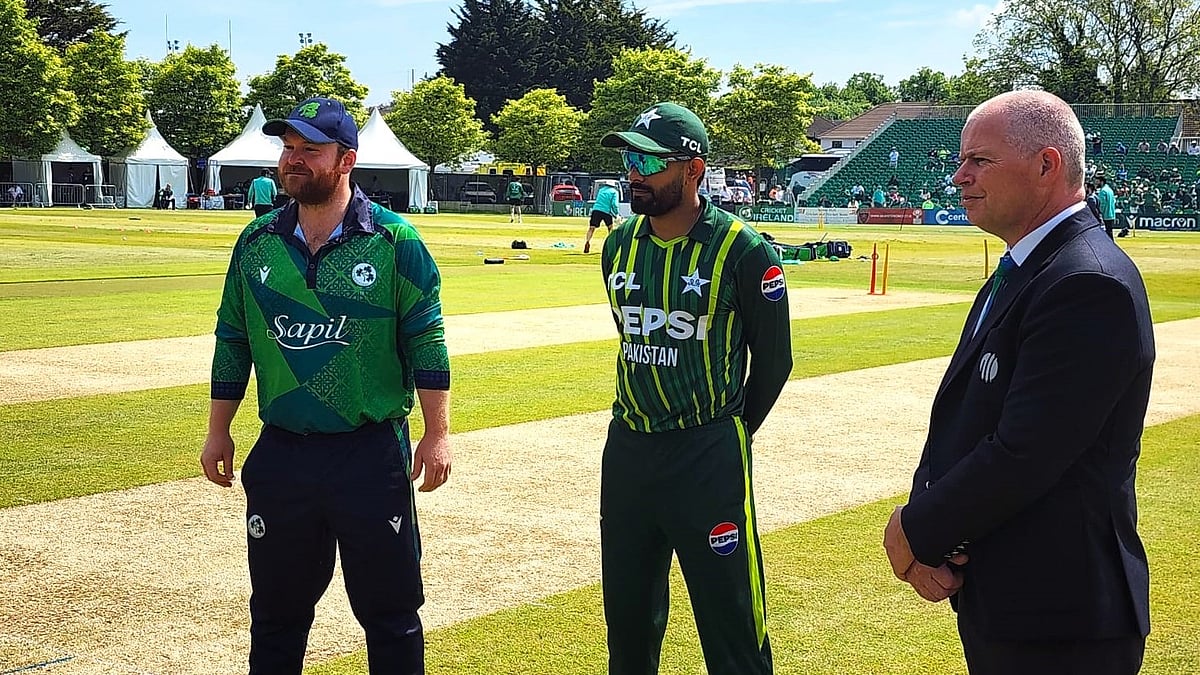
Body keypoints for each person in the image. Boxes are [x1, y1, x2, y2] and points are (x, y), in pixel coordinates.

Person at [883, 90, 1153, 675]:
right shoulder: (1026, 269)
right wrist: (933, 512)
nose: (959, 177)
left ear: (1046, 166)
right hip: (1011, 599)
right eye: (962, 161)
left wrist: (918, 528)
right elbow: (965, 416)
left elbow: (1026, 452)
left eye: (980, 160)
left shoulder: (1087, 282)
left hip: (1063, 619)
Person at [200, 97, 452, 674]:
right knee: (275, 616)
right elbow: (232, 336)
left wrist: (437, 433)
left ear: (346, 161)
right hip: (284, 453)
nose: (292, 160)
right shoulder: (257, 241)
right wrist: (218, 429)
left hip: (369, 454)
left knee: (390, 617)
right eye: (288, 149)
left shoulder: (393, 241)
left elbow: (426, 338)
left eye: (309, 150)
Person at [597, 102, 792, 674]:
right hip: (629, 450)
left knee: (731, 621)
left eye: (650, 162)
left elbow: (774, 362)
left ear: (693, 170)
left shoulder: (743, 250)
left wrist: (726, 431)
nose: (633, 173)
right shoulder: (619, 246)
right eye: (630, 159)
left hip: (708, 454)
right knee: (628, 622)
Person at [585, 181, 620, 254]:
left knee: (592, 228)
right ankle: (611, 245)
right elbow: (614, 204)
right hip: (606, 211)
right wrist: (616, 213)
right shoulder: (614, 192)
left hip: (596, 209)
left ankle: (587, 241)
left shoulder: (601, 190)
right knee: (610, 228)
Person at [1096, 174, 1117, 239]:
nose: (1096, 183)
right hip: (1111, 214)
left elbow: (1102, 204)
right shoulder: (1110, 190)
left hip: (1105, 215)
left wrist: (1099, 213)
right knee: (1110, 232)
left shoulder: (1103, 191)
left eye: (1097, 181)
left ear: (1101, 181)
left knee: (1107, 234)